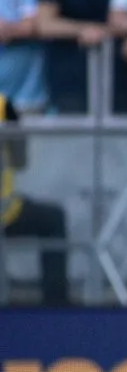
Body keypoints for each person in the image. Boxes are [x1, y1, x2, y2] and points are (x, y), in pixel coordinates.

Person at [0, 93, 70, 306]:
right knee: (53, 219)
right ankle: (55, 305)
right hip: (6, 212)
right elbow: (20, 161)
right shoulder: (4, 106)